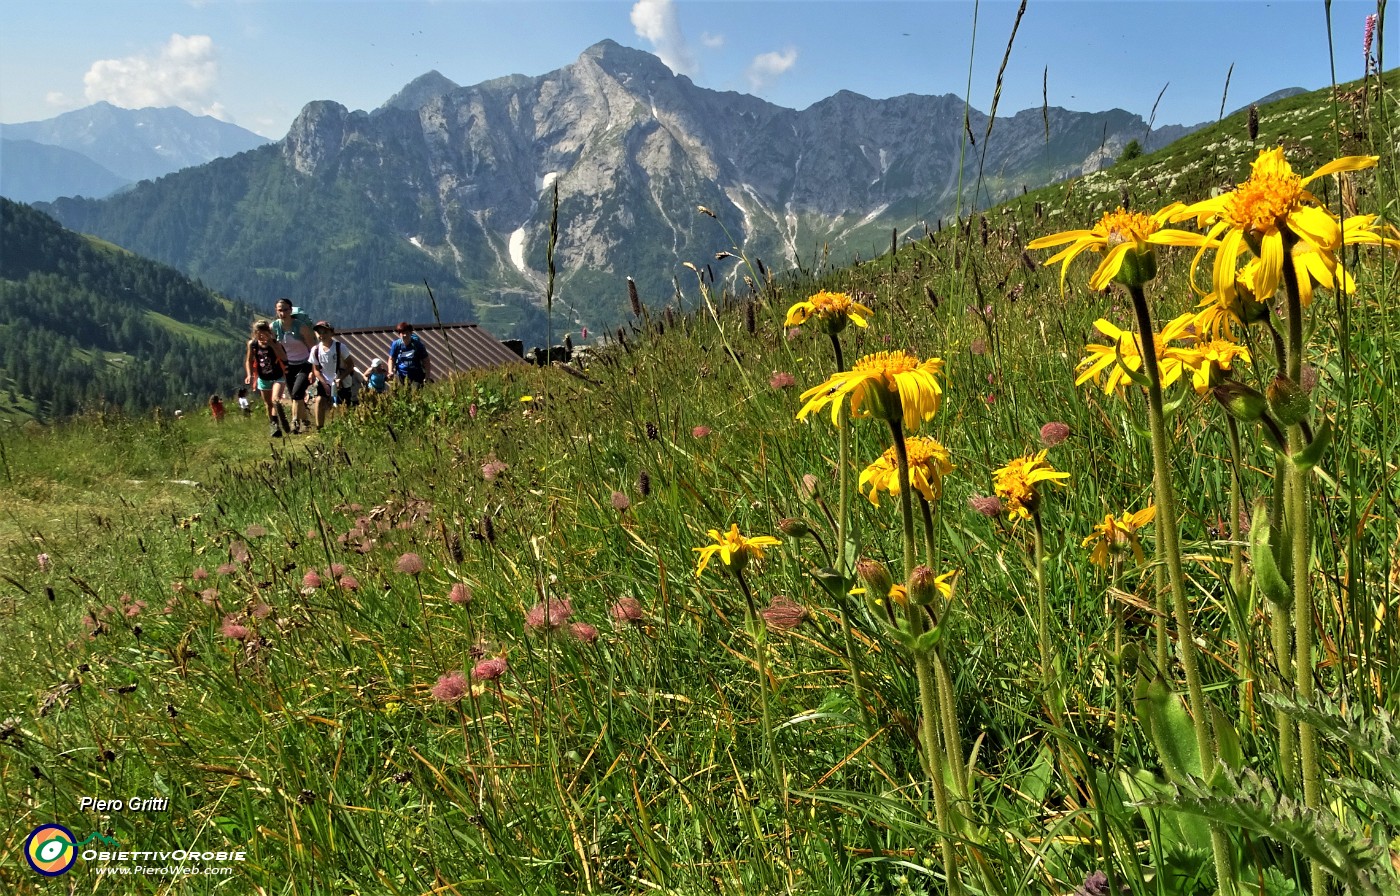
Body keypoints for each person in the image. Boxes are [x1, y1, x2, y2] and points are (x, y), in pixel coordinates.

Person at [272, 298, 316, 433]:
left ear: (291, 310)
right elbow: (272, 346)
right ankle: (306, 422)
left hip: (304, 363)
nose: (283, 313)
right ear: (276, 311)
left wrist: (314, 370)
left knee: (297, 393)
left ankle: (294, 422)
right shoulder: (274, 327)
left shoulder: (300, 327)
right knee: (295, 396)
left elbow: (313, 348)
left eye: (285, 309)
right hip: (288, 365)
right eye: (280, 310)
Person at [308, 320, 360, 428]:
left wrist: (340, 379)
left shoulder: (340, 347)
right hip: (324, 379)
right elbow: (316, 370)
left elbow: (350, 365)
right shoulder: (315, 350)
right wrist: (324, 383)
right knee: (319, 400)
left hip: (342, 380)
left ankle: (346, 427)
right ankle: (320, 427)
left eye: (325, 332)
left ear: (331, 333)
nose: (322, 335)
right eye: (319, 332)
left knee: (344, 405)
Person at [244, 320, 289, 437]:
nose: (261, 335)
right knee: (268, 404)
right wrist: (249, 375)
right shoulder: (252, 344)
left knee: (275, 399)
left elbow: (284, 358)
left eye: (263, 332)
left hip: (278, 376)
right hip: (263, 378)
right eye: (258, 332)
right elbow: (249, 361)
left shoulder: (275, 343)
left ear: (269, 332)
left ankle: (281, 420)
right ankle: (274, 426)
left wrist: (272, 344)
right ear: (254, 333)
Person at [388, 321, 431, 386]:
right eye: (402, 333)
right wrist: (390, 371)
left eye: (407, 333)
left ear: (410, 333)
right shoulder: (396, 345)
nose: (404, 335)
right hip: (402, 375)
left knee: (415, 392)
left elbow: (426, 360)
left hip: (417, 375)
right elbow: (391, 359)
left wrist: (427, 376)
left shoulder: (418, 345)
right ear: (399, 334)